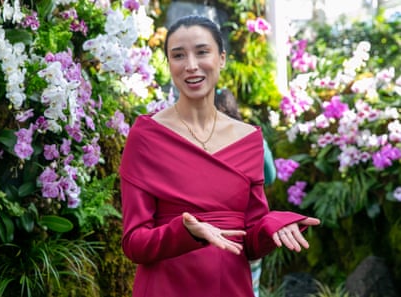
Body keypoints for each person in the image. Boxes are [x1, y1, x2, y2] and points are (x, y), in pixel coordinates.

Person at [119, 15, 320, 297]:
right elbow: (133, 243)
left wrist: (273, 225)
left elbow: (250, 242)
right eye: (178, 55)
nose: (191, 65)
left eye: (202, 52)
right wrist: (186, 232)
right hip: (165, 287)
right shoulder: (146, 135)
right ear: (168, 64)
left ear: (222, 58)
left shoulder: (250, 138)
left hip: (230, 286)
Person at [215, 87, 276, 297]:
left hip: (215, 227)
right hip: (250, 223)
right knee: (251, 284)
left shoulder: (201, 139)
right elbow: (271, 175)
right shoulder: (251, 136)